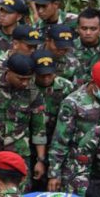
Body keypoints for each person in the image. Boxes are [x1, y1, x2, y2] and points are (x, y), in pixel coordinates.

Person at [47, 61, 100, 192]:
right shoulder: (72, 103)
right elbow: (60, 140)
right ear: (93, 82)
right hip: (78, 161)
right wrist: (54, 174)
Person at [0, 53, 47, 190]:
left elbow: (39, 128)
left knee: (20, 190)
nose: (25, 83)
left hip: (18, 154)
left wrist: (40, 160)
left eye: (28, 79)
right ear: (8, 72)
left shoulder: (33, 92)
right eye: (21, 79)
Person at [28, 49, 75, 191]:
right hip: (30, 143)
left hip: (57, 141)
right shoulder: (26, 86)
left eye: (50, 74)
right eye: (41, 75)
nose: (46, 79)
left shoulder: (66, 87)